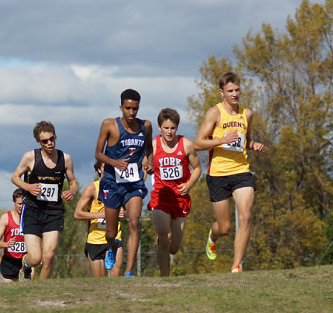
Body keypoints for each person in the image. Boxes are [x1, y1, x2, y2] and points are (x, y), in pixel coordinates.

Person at [194, 72, 265, 272]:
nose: (235, 94)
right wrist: (221, 141)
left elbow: (245, 141)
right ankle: (213, 236)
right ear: (222, 92)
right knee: (224, 227)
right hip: (218, 174)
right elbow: (199, 143)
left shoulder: (247, 113)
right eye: (230, 91)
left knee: (245, 216)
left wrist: (254, 145)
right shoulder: (214, 113)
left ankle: (236, 266)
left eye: (237, 90)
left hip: (242, 171)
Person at [95, 89, 153, 277]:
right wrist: (114, 163)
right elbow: (98, 153)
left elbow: (149, 148)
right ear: (121, 107)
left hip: (133, 183)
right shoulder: (109, 125)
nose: (131, 112)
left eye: (134, 109)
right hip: (112, 182)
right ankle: (112, 248)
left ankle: (129, 271)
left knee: (134, 221)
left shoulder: (145, 126)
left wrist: (149, 162)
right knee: (111, 233)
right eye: (127, 108)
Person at [11, 120, 78, 279]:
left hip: (54, 212)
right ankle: (26, 266)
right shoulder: (30, 157)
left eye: (52, 139)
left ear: (55, 137)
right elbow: (15, 177)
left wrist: (72, 191)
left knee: (48, 257)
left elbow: (73, 182)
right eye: (45, 141)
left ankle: (41, 289)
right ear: (38, 142)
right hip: (32, 211)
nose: (49, 143)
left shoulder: (65, 159)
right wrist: (28, 187)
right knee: (36, 258)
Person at [148, 108, 201, 276]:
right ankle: (165, 278)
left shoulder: (186, 145)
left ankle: (164, 243)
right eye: (166, 128)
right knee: (166, 237)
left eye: (172, 128)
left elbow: (198, 168)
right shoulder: (153, 146)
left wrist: (190, 184)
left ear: (177, 128)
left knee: (174, 247)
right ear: (159, 127)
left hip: (180, 198)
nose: (169, 132)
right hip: (160, 197)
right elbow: (144, 166)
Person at [74, 161, 124, 277]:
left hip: (114, 237)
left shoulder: (121, 188)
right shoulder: (92, 188)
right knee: (100, 281)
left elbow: (132, 211)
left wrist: (124, 213)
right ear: (99, 169)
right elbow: (77, 214)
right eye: (105, 167)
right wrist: (101, 215)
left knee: (115, 273)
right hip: (95, 240)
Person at [0, 189, 34, 282]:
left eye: (24, 204)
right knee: (10, 292)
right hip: (9, 261)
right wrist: (6, 244)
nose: (22, 206)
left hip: (25, 259)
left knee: (28, 288)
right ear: (13, 202)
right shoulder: (6, 218)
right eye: (19, 204)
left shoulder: (31, 218)